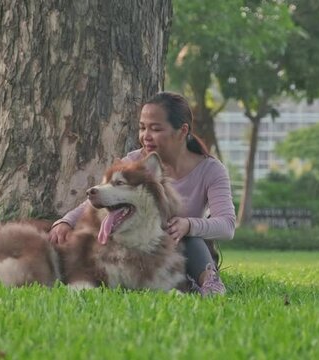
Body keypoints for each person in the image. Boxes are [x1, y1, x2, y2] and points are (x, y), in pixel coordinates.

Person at [49, 91, 236, 296]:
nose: (145, 136)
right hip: (143, 249)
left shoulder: (210, 169)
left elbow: (227, 226)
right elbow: (108, 197)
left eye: (155, 129)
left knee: (189, 237)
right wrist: (66, 221)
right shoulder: (135, 160)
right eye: (142, 128)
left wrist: (189, 225)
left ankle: (208, 282)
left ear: (182, 131)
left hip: (187, 248)